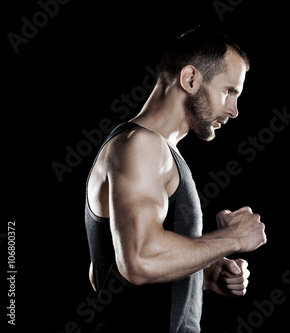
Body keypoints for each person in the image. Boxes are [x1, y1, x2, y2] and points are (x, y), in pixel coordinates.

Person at [84, 26, 267, 332]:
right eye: (228, 91)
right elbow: (139, 261)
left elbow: (102, 269)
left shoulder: (148, 148)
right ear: (190, 79)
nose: (234, 110)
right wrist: (232, 238)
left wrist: (199, 273)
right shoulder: (142, 145)